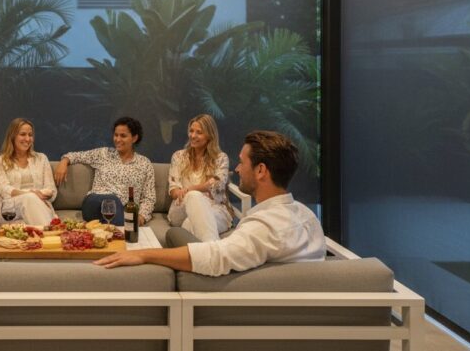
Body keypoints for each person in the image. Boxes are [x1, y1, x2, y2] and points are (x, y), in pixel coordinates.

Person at [94, 130, 325, 276]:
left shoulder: (263, 229)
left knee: (177, 234)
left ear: (261, 170)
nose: (237, 169)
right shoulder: (308, 217)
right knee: (180, 231)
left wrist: (144, 255)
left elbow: (215, 258)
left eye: (242, 163)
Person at [54, 116, 155, 227]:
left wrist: (141, 217)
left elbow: (149, 197)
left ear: (134, 138)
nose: (117, 139)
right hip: (94, 202)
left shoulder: (144, 164)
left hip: (124, 210)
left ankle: (114, 230)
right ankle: (126, 229)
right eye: (116, 135)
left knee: (119, 211)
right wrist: (64, 161)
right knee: (111, 201)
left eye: (123, 136)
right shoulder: (103, 154)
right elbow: (76, 156)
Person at [166, 114, 233, 242]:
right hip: (182, 208)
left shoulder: (220, 158)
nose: (193, 135)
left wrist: (191, 189)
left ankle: (207, 252)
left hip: (214, 208)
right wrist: (186, 193)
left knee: (189, 225)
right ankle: (217, 253)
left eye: (199, 132)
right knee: (194, 197)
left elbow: (216, 184)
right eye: (191, 131)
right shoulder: (179, 156)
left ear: (210, 135)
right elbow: (174, 190)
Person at [0, 118, 57, 226]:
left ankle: (45, 232)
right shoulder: (0, 161)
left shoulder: (41, 158)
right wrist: (31, 194)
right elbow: (5, 191)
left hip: (39, 207)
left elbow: (51, 190)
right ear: (12, 136)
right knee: (30, 198)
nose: (27, 138)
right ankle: (51, 232)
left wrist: (46, 194)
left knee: (27, 224)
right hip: (9, 209)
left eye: (30, 135)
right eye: (22, 134)